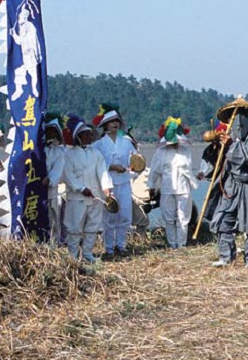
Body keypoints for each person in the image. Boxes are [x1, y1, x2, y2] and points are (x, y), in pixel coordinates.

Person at [209, 97, 248, 267]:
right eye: (235, 116)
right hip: (231, 185)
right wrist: (217, 147)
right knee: (223, 218)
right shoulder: (228, 135)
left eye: (243, 115)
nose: (239, 120)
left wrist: (231, 146)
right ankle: (226, 257)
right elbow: (218, 162)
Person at [63, 114, 113, 262]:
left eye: (91, 134)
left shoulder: (96, 154)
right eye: (87, 134)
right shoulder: (69, 155)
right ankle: (73, 255)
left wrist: (106, 189)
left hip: (95, 195)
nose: (90, 137)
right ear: (78, 136)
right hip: (77, 198)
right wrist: (81, 188)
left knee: (92, 226)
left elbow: (103, 171)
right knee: (75, 228)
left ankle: (87, 253)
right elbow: (68, 175)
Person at [92, 104, 138, 257]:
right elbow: (95, 164)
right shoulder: (98, 144)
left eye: (117, 121)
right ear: (105, 124)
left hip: (124, 182)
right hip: (108, 183)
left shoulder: (126, 142)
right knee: (109, 216)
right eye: (111, 121)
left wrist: (135, 166)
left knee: (125, 214)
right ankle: (109, 247)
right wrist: (111, 167)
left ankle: (122, 244)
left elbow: (135, 160)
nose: (114, 124)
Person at [148, 117, 197, 249]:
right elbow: (154, 171)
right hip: (167, 188)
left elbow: (189, 169)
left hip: (183, 187)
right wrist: (151, 186)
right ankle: (172, 243)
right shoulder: (161, 152)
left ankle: (181, 243)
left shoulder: (186, 151)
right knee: (169, 217)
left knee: (183, 217)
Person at [43, 112, 67, 246]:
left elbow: (57, 171)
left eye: (53, 131)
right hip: (33, 189)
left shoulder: (58, 152)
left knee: (53, 220)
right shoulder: (35, 147)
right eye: (48, 131)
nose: (51, 134)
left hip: (50, 190)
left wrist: (49, 180)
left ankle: (53, 246)